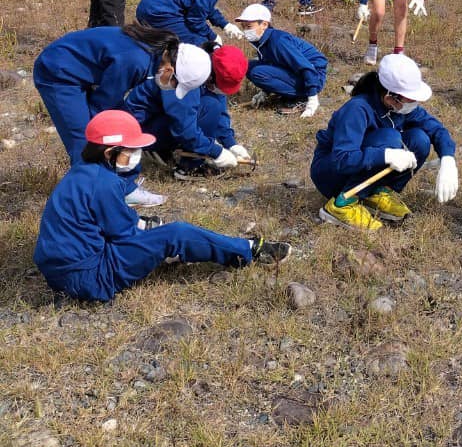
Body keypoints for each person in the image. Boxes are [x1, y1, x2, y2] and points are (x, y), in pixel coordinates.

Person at [33, 111, 289, 303]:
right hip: (89, 279)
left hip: (58, 272)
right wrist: (155, 237)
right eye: (131, 151)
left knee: (151, 229)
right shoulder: (104, 184)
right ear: (110, 152)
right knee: (176, 233)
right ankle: (248, 250)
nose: (136, 156)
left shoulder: (82, 170)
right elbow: (125, 235)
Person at [310, 55, 457, 231]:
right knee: (390, 139)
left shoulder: (400, 107)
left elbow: (435, 129)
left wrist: (448, 159)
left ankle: (378, 192)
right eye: (411, 99)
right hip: (330, 173)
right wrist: (386, 155)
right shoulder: (357, 109)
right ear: (390, 97)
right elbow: (342, 158)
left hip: (359, 163)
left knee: (420, 139)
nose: (415, 103)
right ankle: (342, 205)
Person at [33, 23, 180, 164]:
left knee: (118, 129)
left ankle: (113, 183)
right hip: (58, 72)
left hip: (81, 69)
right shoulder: (136, 62)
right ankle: (87, 185)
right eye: (176, 83)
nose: (172, 87)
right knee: (85, 144)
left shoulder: (151, 52)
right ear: (170, 69)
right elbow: (102, 107)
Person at [126, 44, 248, 175]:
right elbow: (183, 129)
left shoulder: (204, 67)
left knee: (212, 103)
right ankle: (190, 167)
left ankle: (166, 150)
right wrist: (215, 151)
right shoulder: (187, 75)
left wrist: (230, 143)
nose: (220, 90)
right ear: (212, 76)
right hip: (138, 130)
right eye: (220, 84)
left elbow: (219, 107)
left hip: (157, 119)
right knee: (210, 105)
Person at [236, 4, 327, 118]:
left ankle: (301, 97)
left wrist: (312, 98)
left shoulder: (278, 42)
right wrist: (265, 91)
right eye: (243, 27)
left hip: (314, 75)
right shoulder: (261, 41)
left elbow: (305, 66)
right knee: (248, 66)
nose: (245, 31)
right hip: (297, 73)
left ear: (264, 24)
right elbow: (272, 64)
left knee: (257, 72)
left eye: (249, 26)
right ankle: (289, 93)